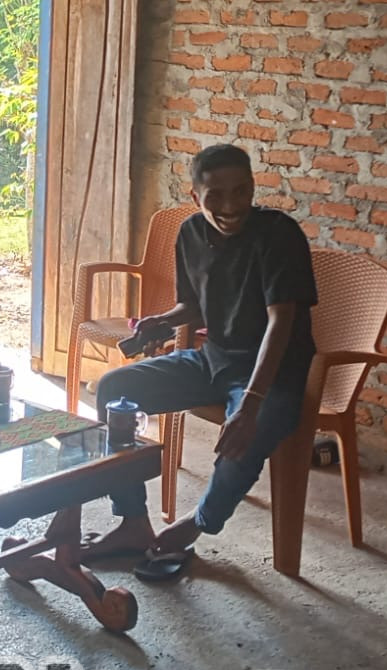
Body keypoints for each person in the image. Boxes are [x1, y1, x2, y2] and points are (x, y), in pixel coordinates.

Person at [82, 144, 317, 577]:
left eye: (241, 191)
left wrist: (251, 400)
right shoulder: (190, 233)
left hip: (274, 373)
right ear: (195, 197)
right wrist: (162, 321)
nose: (231, 206)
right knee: (116, 391)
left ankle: (197, 525)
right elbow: (194, 305)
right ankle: (133, 521)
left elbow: (280, 321)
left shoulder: (278, 235)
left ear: (252, 188)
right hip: (214, 359)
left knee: (253, 428)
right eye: (216, 196)